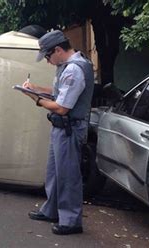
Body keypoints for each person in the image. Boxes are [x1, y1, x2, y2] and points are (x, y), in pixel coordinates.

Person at [22, 30, 94, 235]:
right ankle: (52, 210)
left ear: (58, 50)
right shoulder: (68, 66)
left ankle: (71, 221)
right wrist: (35, 88)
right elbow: (59, 93)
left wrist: (34, 98)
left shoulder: (74, 70)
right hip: (61, 128)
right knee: (54, 173)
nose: (47, 61)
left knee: (68, 176)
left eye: (47, 56)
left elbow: (62, 107)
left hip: (69, 129)